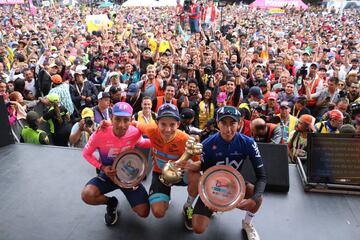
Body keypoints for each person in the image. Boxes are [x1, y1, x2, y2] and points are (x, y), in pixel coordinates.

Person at [192, 106, 266, 240]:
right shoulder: (207, 144)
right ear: (217, 123)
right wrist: (210, 198)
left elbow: (262, 177)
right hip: (213, 186)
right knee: (198, 228)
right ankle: (197, 208)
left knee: (258, 197)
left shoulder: (248, 143)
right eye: (223, 123)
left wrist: (253, 200)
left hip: (235, 186)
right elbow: (205, 173)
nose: (228, 129)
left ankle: (247, 223)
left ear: (239, 124)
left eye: (232, 123)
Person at [81, 102, 151, 226]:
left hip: (128, 176)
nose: (121, 125)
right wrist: (102, 167)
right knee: (87, 195)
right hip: (108, 176)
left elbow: (143, 143)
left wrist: (161, 140)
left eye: (126, 120)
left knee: (144, 212)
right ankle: (111, 203)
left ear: (131, 120)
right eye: (117, 119)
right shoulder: (100, 133)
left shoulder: (135, 132)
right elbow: (86, 154)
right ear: (111, 118)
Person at [134, 103, 201, 230]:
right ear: (157, 123)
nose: (167, 129)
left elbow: (199, 164)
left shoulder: (185, 139)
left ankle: (188, 206)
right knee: (158, 212)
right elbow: (133, 123)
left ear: (178, 124)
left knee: (197, 177)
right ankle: (166, 195)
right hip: (160, 174)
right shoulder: (151, 130)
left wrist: (192, 165)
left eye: (172, 124)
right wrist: (107, 125)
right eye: (163, 124)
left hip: (181, 174)